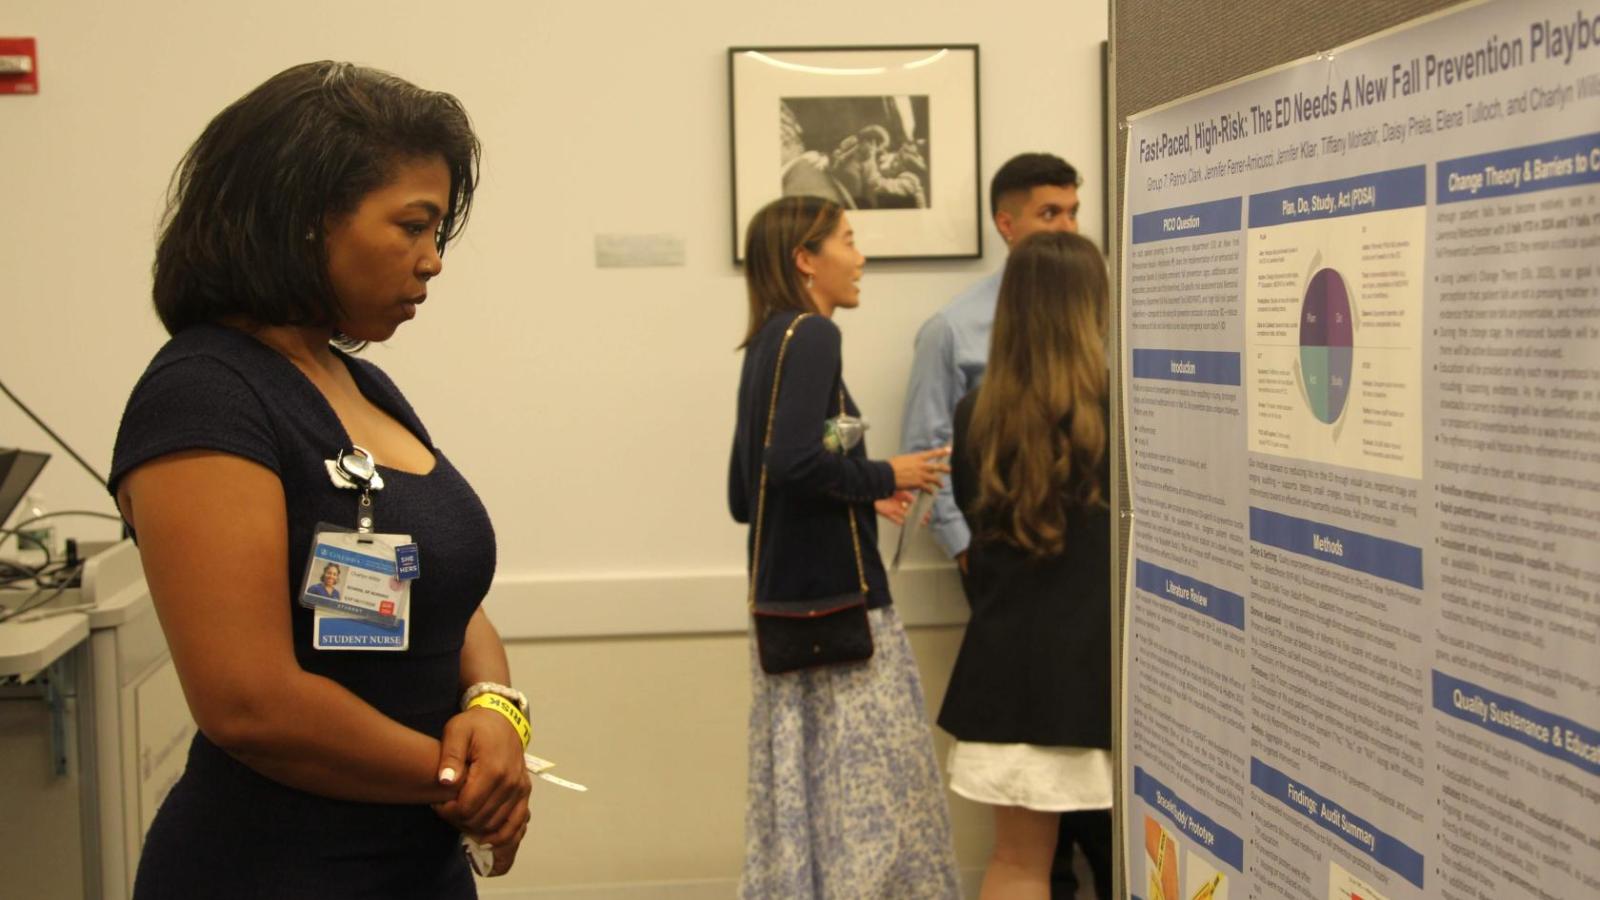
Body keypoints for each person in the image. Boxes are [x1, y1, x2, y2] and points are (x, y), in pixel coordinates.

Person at [108, 61, 530, 899]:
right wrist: (466, 782)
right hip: (276, 870)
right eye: (412, 226)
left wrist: (494, 710)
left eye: (438, 231)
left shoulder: (360, 385)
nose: (433, 261)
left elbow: (448, 594)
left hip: (418, 857)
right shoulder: (204, 393)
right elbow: (249, 704)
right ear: (302, 220)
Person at [727, 195, 962, 899]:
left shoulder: (767, 342)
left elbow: (747, 489)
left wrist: (859, 488)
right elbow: (791, 463)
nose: (860, 259)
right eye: (848, 241)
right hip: (842, 617)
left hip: (789, 617)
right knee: (876, 808)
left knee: (814, 809)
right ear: (806, 259)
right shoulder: (815, 336)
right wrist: (889, 474)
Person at [898, 151, 1091, 897]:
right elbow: (931, 464)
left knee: (1041, 850)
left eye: (1073, 212)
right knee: (1043, 850)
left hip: (1058, 621)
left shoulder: (991, 409)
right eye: (1050, 213)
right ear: (1005, 223)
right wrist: (971, 559)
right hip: (1022, 599)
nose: (1066, 227)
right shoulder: (951, 331)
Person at [938, 231, 1113, 900]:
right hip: (1105, 674)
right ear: (1091, 307)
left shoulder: (974, 416)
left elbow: (973, 526)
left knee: (1016, 863)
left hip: (1008, 673)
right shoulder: (1124, 412)